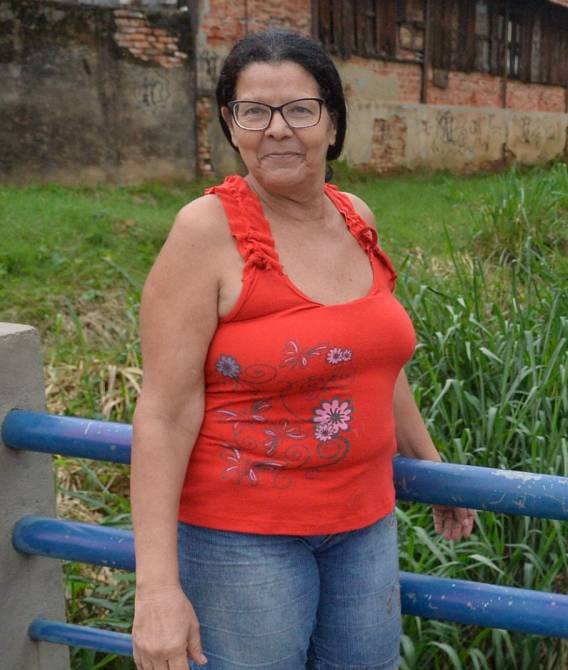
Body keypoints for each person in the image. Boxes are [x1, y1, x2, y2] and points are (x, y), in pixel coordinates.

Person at [129, 30, 475, 670]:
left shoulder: (356, 215)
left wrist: (431, 466)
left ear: (333, 123)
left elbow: (372, 363)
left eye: (299, 109)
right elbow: (163, 412)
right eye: (254, 111)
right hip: (243, 537)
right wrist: (156, 590)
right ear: (232, 127)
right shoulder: (205, 232)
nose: (277, 129)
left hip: (365, 525)